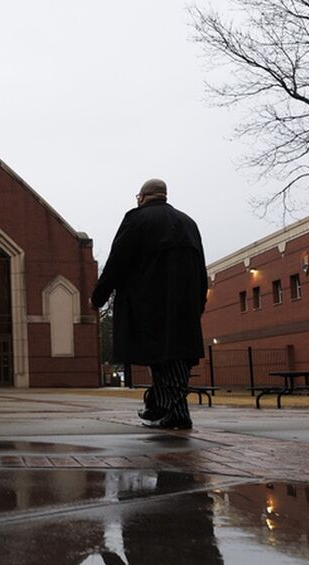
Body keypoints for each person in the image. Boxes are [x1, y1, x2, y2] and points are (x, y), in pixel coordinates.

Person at [91, 179, 208, 430]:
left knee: (164, 358)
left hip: (151, 302)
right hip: (185, 305)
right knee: (175, 358)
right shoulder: (188, 222)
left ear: (142, 197)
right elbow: (201, 266)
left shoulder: (137, 220)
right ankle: (166, 407)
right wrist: (200, 302)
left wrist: (98, 296)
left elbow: (117, 261)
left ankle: (173, 411)